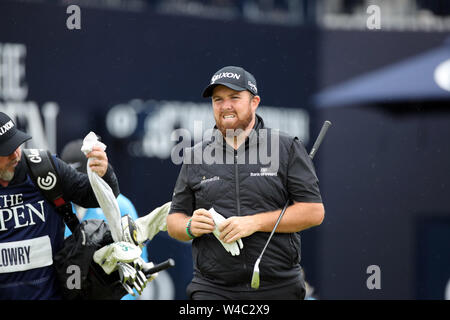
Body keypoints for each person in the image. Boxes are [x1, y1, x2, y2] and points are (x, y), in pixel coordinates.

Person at [167, 66, 325, 300]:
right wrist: (190, 226)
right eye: (218, 99)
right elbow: (174, 221)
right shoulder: (194, 156)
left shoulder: (286, 147)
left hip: (278, 286)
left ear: (254, 102)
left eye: (234, 97)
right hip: (213, 288)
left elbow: (313, 212)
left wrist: (254, 223)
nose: (225, 106)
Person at [0, 112, 120, 300]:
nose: (15, 154)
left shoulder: (43, 168)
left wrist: (104, 173)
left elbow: (99, 197)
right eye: (6, 150)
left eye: (17, 144)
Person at [60, 139, 150, 300]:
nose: (75, 186)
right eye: (70, 180)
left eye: (81, 178)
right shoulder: (53, 208)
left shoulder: (120, 205)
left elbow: (137, 265)